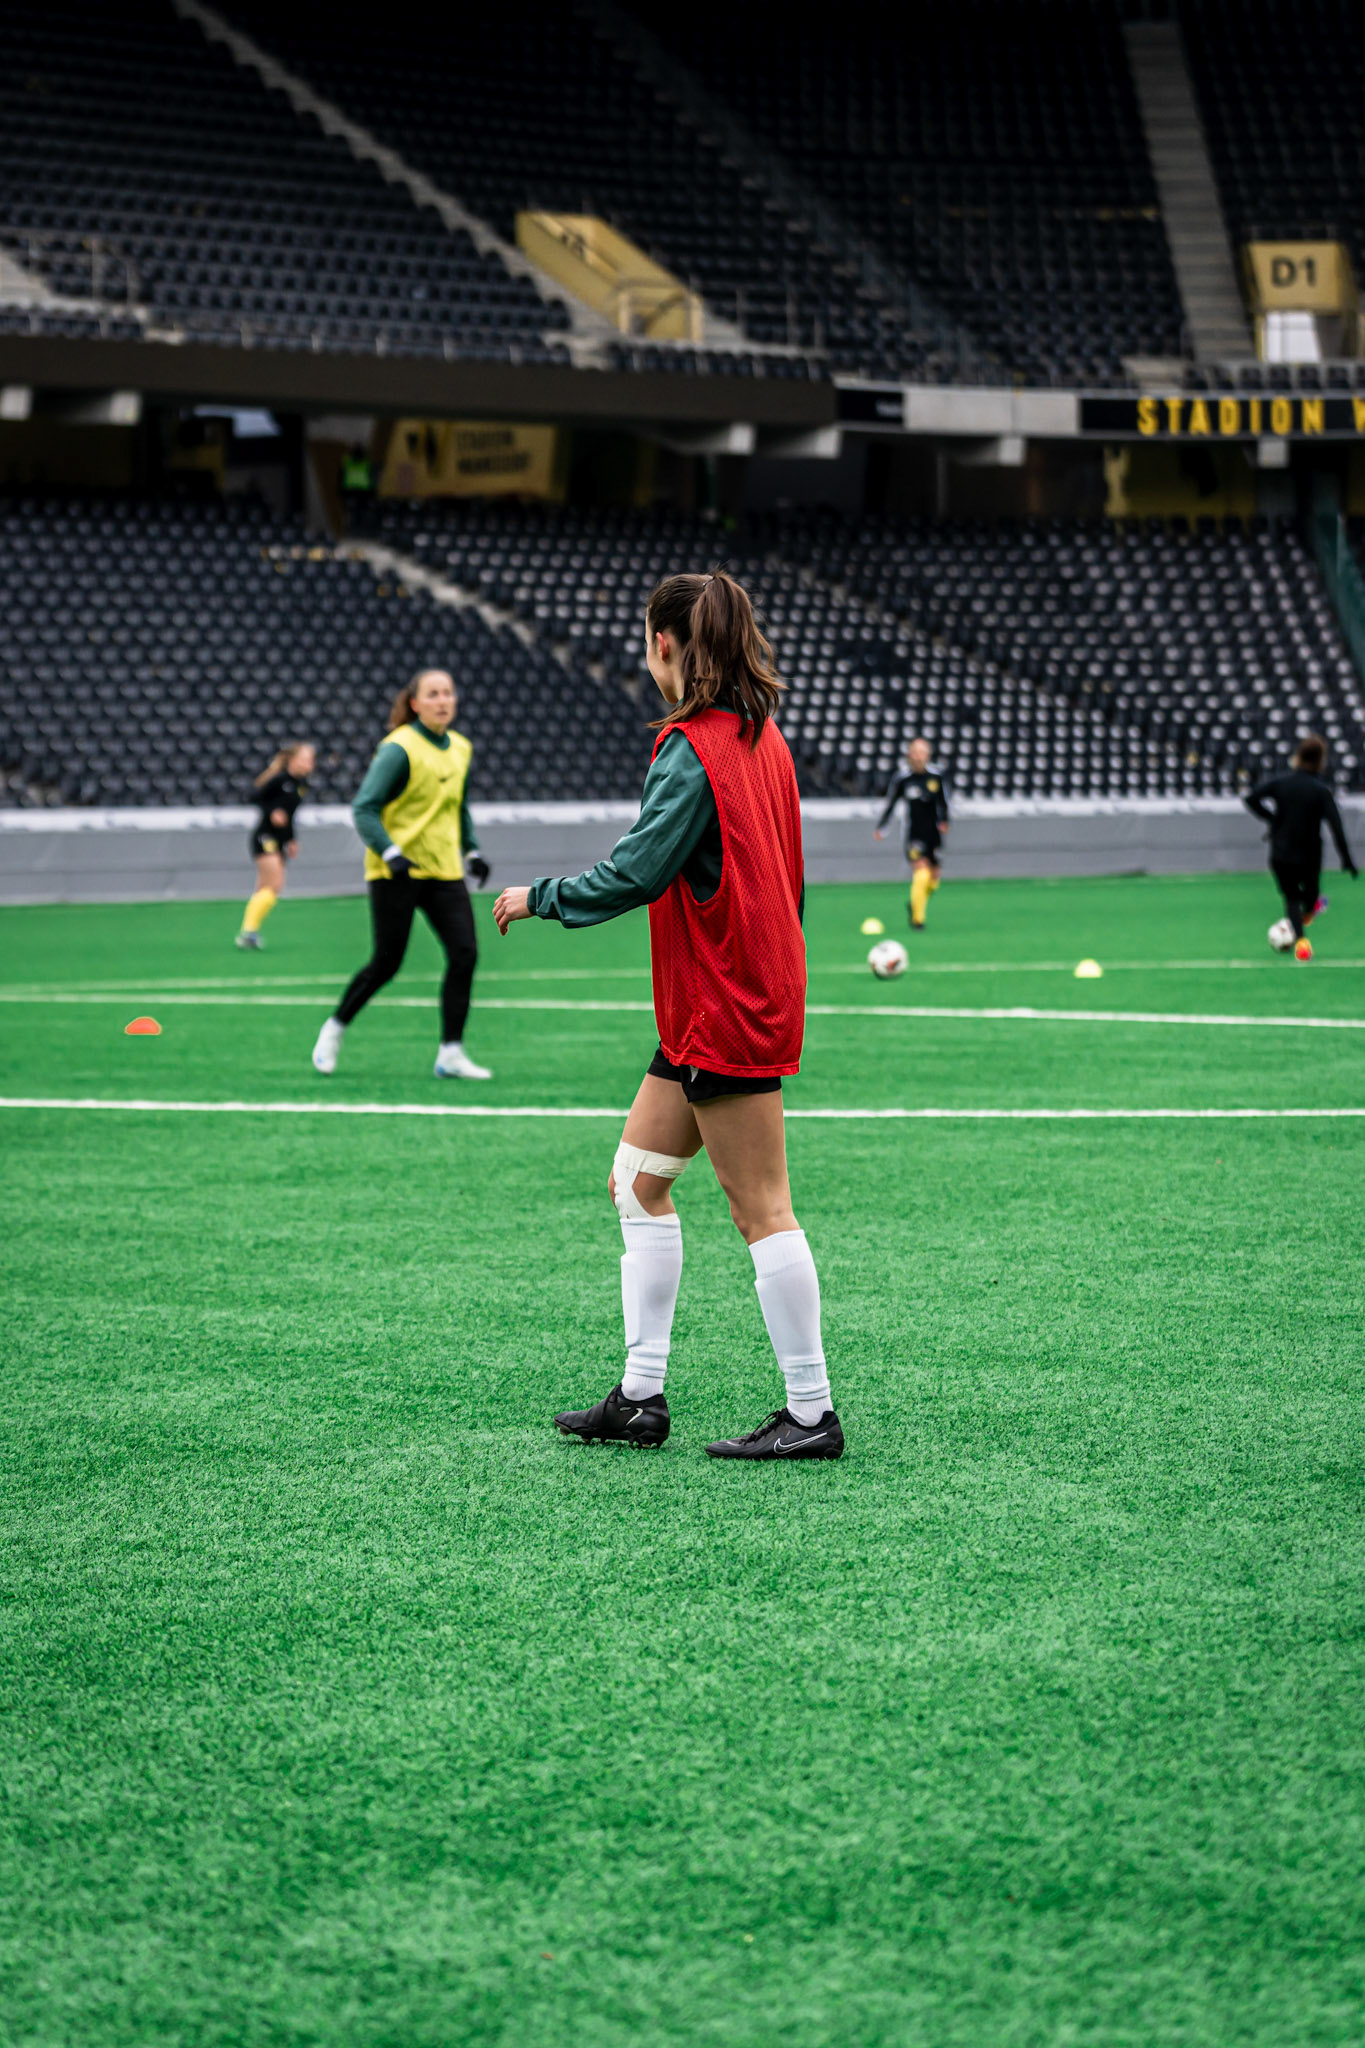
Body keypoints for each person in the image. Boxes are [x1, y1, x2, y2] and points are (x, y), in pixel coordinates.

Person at [493, 570, 842, 1462]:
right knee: (637, 1181)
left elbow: (636, 872)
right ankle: (640, 1398)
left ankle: (811, 1415)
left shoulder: (691, 748)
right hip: (723, 998)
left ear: (662, 645)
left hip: (727, 1003)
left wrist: (539, 897)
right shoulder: (764, 736)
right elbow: (790, 876)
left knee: (761, 1208)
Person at [312, 669, 492, 1079]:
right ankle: (334, 1028)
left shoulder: (461, 747)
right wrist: (391, 852)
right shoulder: (399, 748)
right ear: (415, 703)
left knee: (465, 953)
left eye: (448, 692)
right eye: (433, 694)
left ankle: (450, 1052)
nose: (443, 700)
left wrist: (473, 849)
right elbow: (363, 807)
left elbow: (457, 805)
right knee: (387, 962)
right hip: (396, 871)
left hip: (444, 869)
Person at [1244, 734, 1357, 955]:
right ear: (1320, 761)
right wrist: (1347, 859)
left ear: (1297, 757)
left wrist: (1272, 818)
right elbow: (1336, 826)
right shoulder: (1320, 791)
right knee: (1309, 895)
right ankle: (1302, 937)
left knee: (1292, 896)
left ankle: (1299, 935)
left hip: (1281, 853)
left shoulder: (1281, 783)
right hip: (1309, 855)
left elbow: (1251, 798)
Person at [237, 740, 315, 950]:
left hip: (280, 839)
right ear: (293, 760)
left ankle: (249, 932)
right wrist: (272, 810)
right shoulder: (280, 780)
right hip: (265, 836)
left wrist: (291, 838)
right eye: (306, 759)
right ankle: (249, 932)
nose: (310, 763)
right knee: (274, 885)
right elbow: (253, 796)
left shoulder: (302, 784)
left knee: (265, 888)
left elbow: (290, 815)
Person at [874, 736, 950, 930]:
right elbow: (891, 803)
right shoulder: (903, 779)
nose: (919, 756)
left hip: (933, 835)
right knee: (921, 873)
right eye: (915, 752)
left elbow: (944, 802)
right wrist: (882, 827)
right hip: (913, 835)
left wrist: (944, 821)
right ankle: (918, 919)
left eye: (922, 752)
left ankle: (915, 903)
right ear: (909, 754)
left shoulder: (936, 777)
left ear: (928, 755)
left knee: (933, 882)